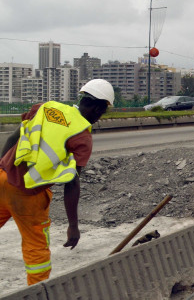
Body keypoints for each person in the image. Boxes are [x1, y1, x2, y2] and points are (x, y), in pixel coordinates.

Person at [0, 79, 114, 285]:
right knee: (36, 252)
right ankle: (36, 291)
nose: (99, 118)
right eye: (103, 113)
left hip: (2, 178)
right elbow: (71, 182)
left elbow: (11, 140)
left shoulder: (46, 107)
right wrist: (73, 226)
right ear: (98, 108)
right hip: (28, 194)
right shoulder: (82, 135)